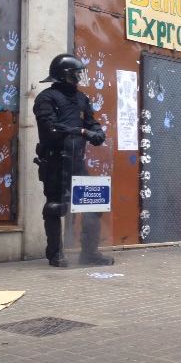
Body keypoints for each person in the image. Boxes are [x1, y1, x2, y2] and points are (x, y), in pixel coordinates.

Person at [34, 54, 111, 267]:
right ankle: (55, 254)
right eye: (76, 74)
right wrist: (83, 132)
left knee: (93, 205)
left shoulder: (81, 99)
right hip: (55, 160)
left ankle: (89, 253)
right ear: (65, 75)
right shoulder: (46, 98)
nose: (79, 78)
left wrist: (97, 132)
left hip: (76, 160)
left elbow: (91, 122)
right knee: (55, 206)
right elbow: (51, 129)